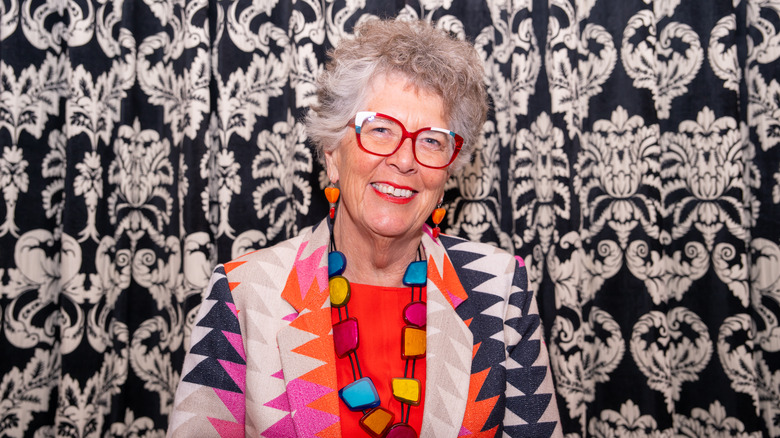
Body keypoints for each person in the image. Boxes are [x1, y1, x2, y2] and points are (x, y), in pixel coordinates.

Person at [167, 18, 561, 438]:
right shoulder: (244, 292)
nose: (405, 160)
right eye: (380, 130)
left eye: (431, 140)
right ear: (333, 153)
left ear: (448, 169)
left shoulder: (499, 291)